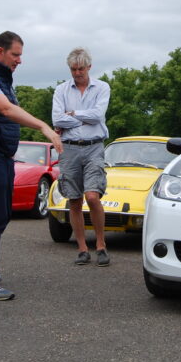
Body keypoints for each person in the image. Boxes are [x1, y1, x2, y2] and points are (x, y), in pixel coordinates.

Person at [0, 31, 64, 301]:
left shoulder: (2, 78)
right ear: (0, 52)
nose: (20, 60)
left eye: (20, 55)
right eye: (15, 54)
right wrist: (43, 126)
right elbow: (6, 110)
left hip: (0, 154)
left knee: (1, 214)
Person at [52, 47, 111, 267]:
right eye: (73, 69)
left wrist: (73, 114)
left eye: (80, 69)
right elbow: (57, 119)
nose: (77, 73)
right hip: (69, 149)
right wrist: (79, 119)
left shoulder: (102, 87)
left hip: (94, 146)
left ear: (89, 67)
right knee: (74, 199)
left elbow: (98, 116)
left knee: (92, 197)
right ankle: (82, 248)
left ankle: (101, 245)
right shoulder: (61, 90)